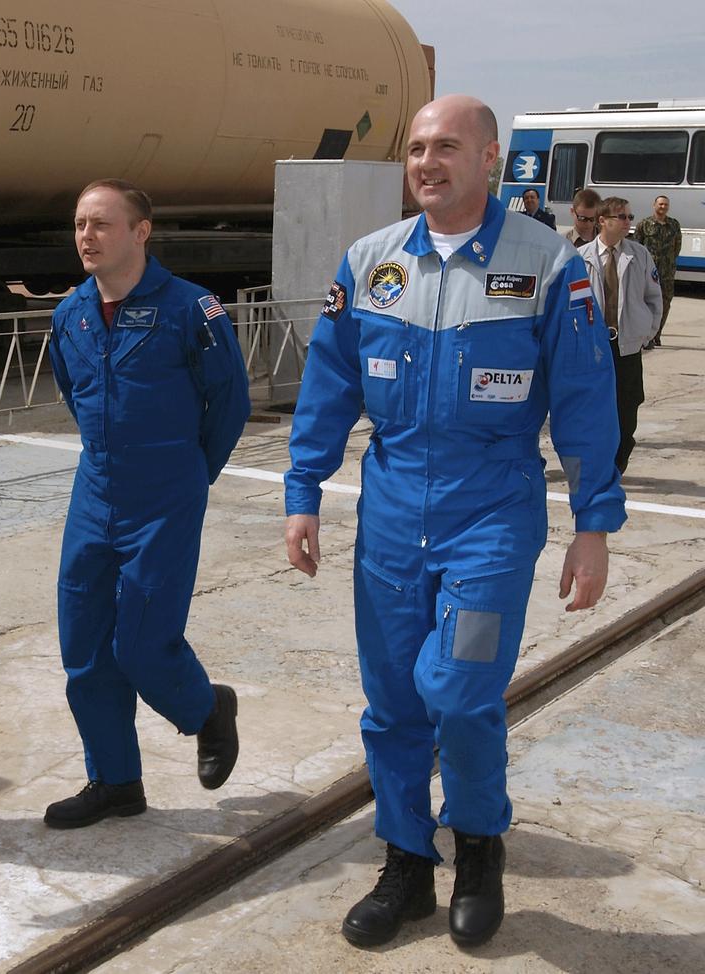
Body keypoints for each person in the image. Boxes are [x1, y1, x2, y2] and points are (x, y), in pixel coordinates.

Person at [285, 95, 626, 950]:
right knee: (393, 702)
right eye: (416, 148)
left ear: (491, 160)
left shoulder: (549, 264)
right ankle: (405, 861)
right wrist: (303, 492)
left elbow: (587, 403)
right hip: (393, 513)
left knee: (461, 691)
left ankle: (478, 844)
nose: (427, 162)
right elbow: (329, 388)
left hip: (492, 517)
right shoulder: (370, 262)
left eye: (447, 147)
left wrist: (594, 524)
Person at [43, 179, 251, 829]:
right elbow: (76, 395)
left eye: (102, 223)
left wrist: (192, 473)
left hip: (165, 496)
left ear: (141, 232)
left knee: (141, 643)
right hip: (95, 490)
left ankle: (206, 711)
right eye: (80, 223)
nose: (87, 235)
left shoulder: (192, 309)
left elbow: (232, 403)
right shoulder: (70, 314)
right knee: (84, 646)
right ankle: (114, 781)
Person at [578, 197, 662, 474]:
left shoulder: (639, 254)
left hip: (627, 347)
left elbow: (654, 298)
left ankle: (617, 463)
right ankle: (595, 464)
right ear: (603, 220)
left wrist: (645, 333)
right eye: (622, 217)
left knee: (627, 408)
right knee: (592, 409)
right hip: (593, 348)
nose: (628, 222)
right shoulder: (581, 258)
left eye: (629, 216)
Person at [634, 195, 681, 347]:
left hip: (667, 273)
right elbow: (637, 245)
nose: (663, 207)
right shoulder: (644, 224)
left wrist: (668, 262)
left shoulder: (674, 225)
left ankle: (657, 335)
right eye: (660, 204)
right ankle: (646, 334)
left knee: (665, 303)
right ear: (654, 205)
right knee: (646, 302)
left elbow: (677, 247)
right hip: (648, 272)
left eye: (665, 205)